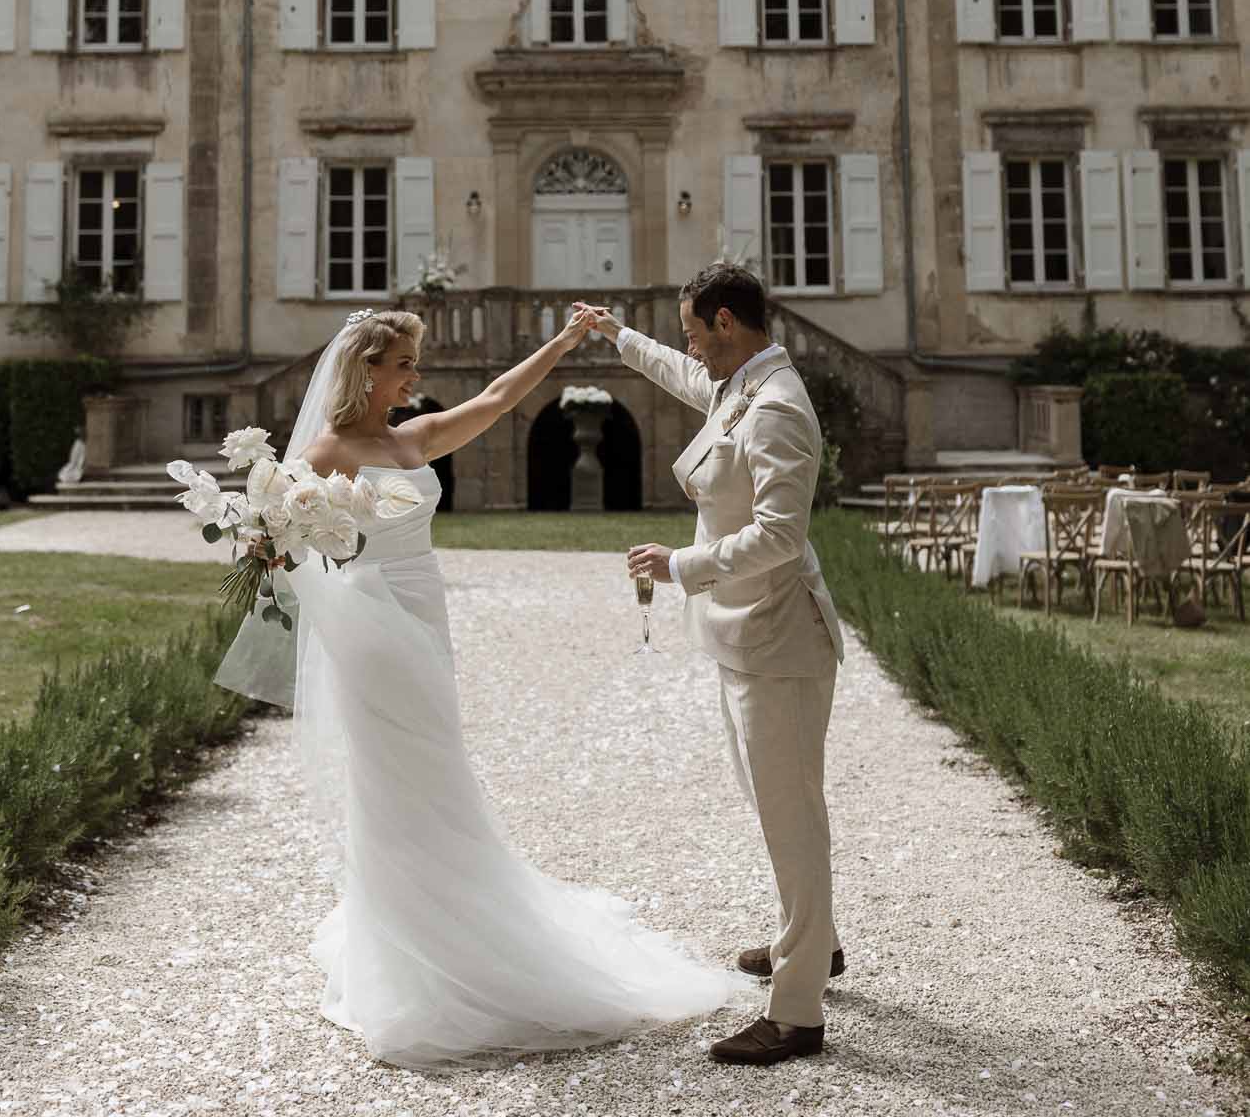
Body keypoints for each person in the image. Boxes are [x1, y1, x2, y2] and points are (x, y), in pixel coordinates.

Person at [215, 305, 740, 1069]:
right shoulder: (326, 452)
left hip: (424, 615)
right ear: (367, 369)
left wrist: (561, 344)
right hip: (373, 626)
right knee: (397, 769)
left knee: (435, 761)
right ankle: (415, 944)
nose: (414, 377)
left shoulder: (410, 438)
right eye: (403, 365)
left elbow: (495, 400)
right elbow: (281, 549)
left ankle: (446, 909)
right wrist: (326, 587)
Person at [577, 264, 845, 1067]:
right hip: (745, 636)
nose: (691, 347)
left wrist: (680, 563)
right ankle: (814, 942)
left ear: (728, 323)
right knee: (777, 806)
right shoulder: (737, 385)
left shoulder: (775, 411)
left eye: (696, 332)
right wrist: (615, 335)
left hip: (781, 642)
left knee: (790, 818)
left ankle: (797, 1012)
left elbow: (779, 537)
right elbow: (679, 373)